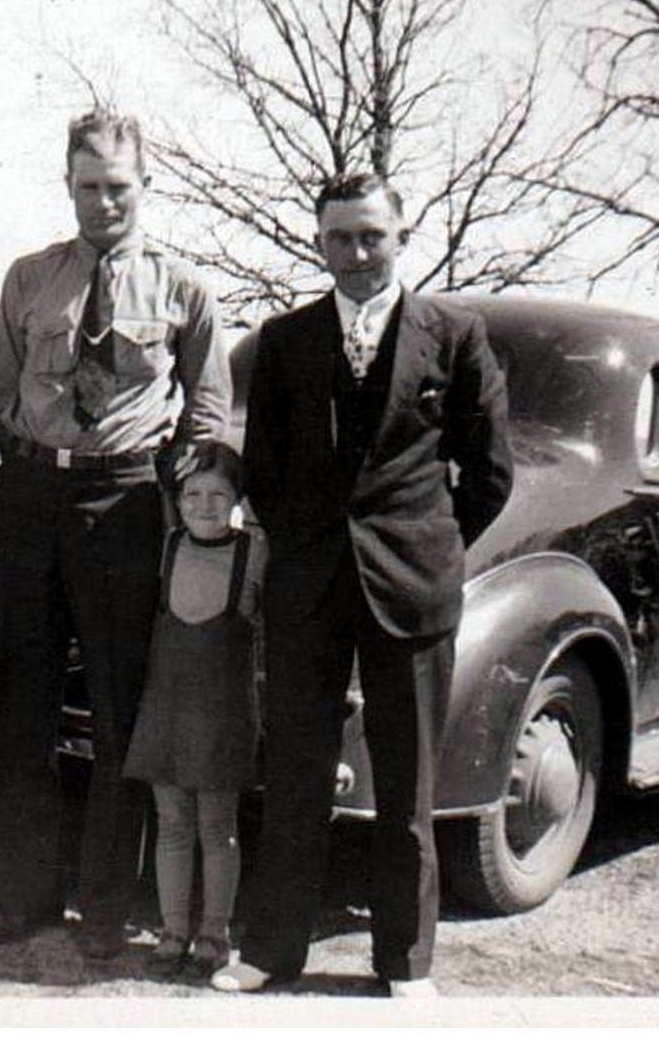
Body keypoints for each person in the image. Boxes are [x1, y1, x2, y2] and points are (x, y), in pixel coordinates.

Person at [213, 173, 513, 996]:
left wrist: (433, 549)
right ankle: (271, 951)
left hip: (411, 588)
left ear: (400, 237)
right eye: (339, 238)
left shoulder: (453, 335)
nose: (356, 253)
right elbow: (265, 468)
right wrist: (308, 540)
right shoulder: (284, 339)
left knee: (406, 784)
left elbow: (489, 472)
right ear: (319, 243)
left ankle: (406, 962)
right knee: (296, 777)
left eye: (372, 236)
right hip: (308, 587)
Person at [0, 108, 232, 960]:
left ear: (145, 186)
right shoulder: (27, 280)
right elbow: (5, 398)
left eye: (118, 187)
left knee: (121, 711)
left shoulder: (185, 291)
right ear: (68, 187)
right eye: (88, 187)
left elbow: (205, 411)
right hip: (32, 497)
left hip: (125, 505)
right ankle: (22, 894)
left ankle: (104, 906)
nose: (104, 203)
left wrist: (172, 494)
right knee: (22, 702)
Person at [122, 441, 264, 980]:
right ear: (178, 501)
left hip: (222, 715)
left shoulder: (254, 554)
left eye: (219, 494)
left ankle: (214, 931)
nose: (205, 505)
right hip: (167, 709)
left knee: (217, 825)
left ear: (238, 500)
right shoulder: (167, 549)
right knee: (172, 823)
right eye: (193, 494)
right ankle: (173, 929)